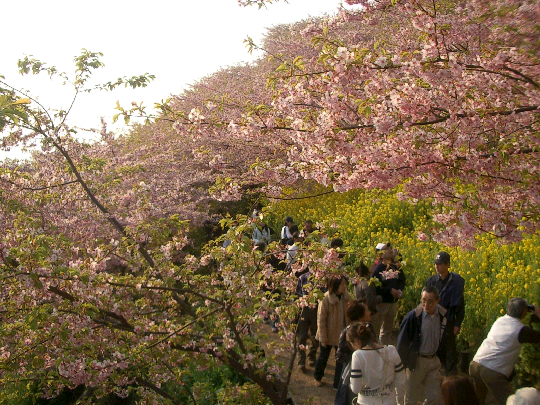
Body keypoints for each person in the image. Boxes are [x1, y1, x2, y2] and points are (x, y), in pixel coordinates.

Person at [470, 298, 540, 405]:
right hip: (492, 371)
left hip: (475, 364)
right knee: (512, 402)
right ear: (524, 311)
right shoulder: (521, 330)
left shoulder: (500, 320)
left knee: (477, 400)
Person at [397, 285, 448, 405]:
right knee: (412, 398)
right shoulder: (413, 317)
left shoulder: (442, 317)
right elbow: (402, 342)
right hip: (417, 361)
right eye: (423, 300)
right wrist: (400, 365)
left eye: (430, 301)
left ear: (437, 301)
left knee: (435, 398)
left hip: (434, 361)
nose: (426, 304)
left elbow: (445, 340)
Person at [425, 251, 465, 375]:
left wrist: (457, 324)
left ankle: (451, 378)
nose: (437, 266)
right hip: (433, 319)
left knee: (450, 350)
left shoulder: (456, 281)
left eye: (440, 264)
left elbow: (460, 305)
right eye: (436, 264)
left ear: (447, 265)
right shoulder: (431, 281)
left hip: (449, 320)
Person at [348, 321, 406, 405]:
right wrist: (398, 400)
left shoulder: (357, 356)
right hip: (389, 401)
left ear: (356, 341)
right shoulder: (391, 350)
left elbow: (355, 389)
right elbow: (401, 382)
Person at [314, 274, 351, 388]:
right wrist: (323, 338)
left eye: (345, 284)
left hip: (341, 333)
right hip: (328, 334)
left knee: (340, 359)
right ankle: (317, 377)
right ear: (335, 285)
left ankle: (337, 383)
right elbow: (321, 319)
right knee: (323, 357)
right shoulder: (326, 298)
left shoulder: (345, 298)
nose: (344, 286)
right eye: (342, 284)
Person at [335, 300, 372, 405]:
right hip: (351, 373)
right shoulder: (347, 332)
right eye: (367, 310)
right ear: (360, 316)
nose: (370, 312)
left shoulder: (369, 329)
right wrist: (356, 357)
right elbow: (339, 356)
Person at [371, 248, 406, 345]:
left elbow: (402, 281)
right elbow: (374, 287)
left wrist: (399, 290)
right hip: (382, 303)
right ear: (381, 256)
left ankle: (383, 349)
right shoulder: (378, 269)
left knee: (387, 330)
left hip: (392, 303)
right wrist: (389, 291)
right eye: (387, 251)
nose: (390, 252)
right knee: (376, 330)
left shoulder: (396, 267)